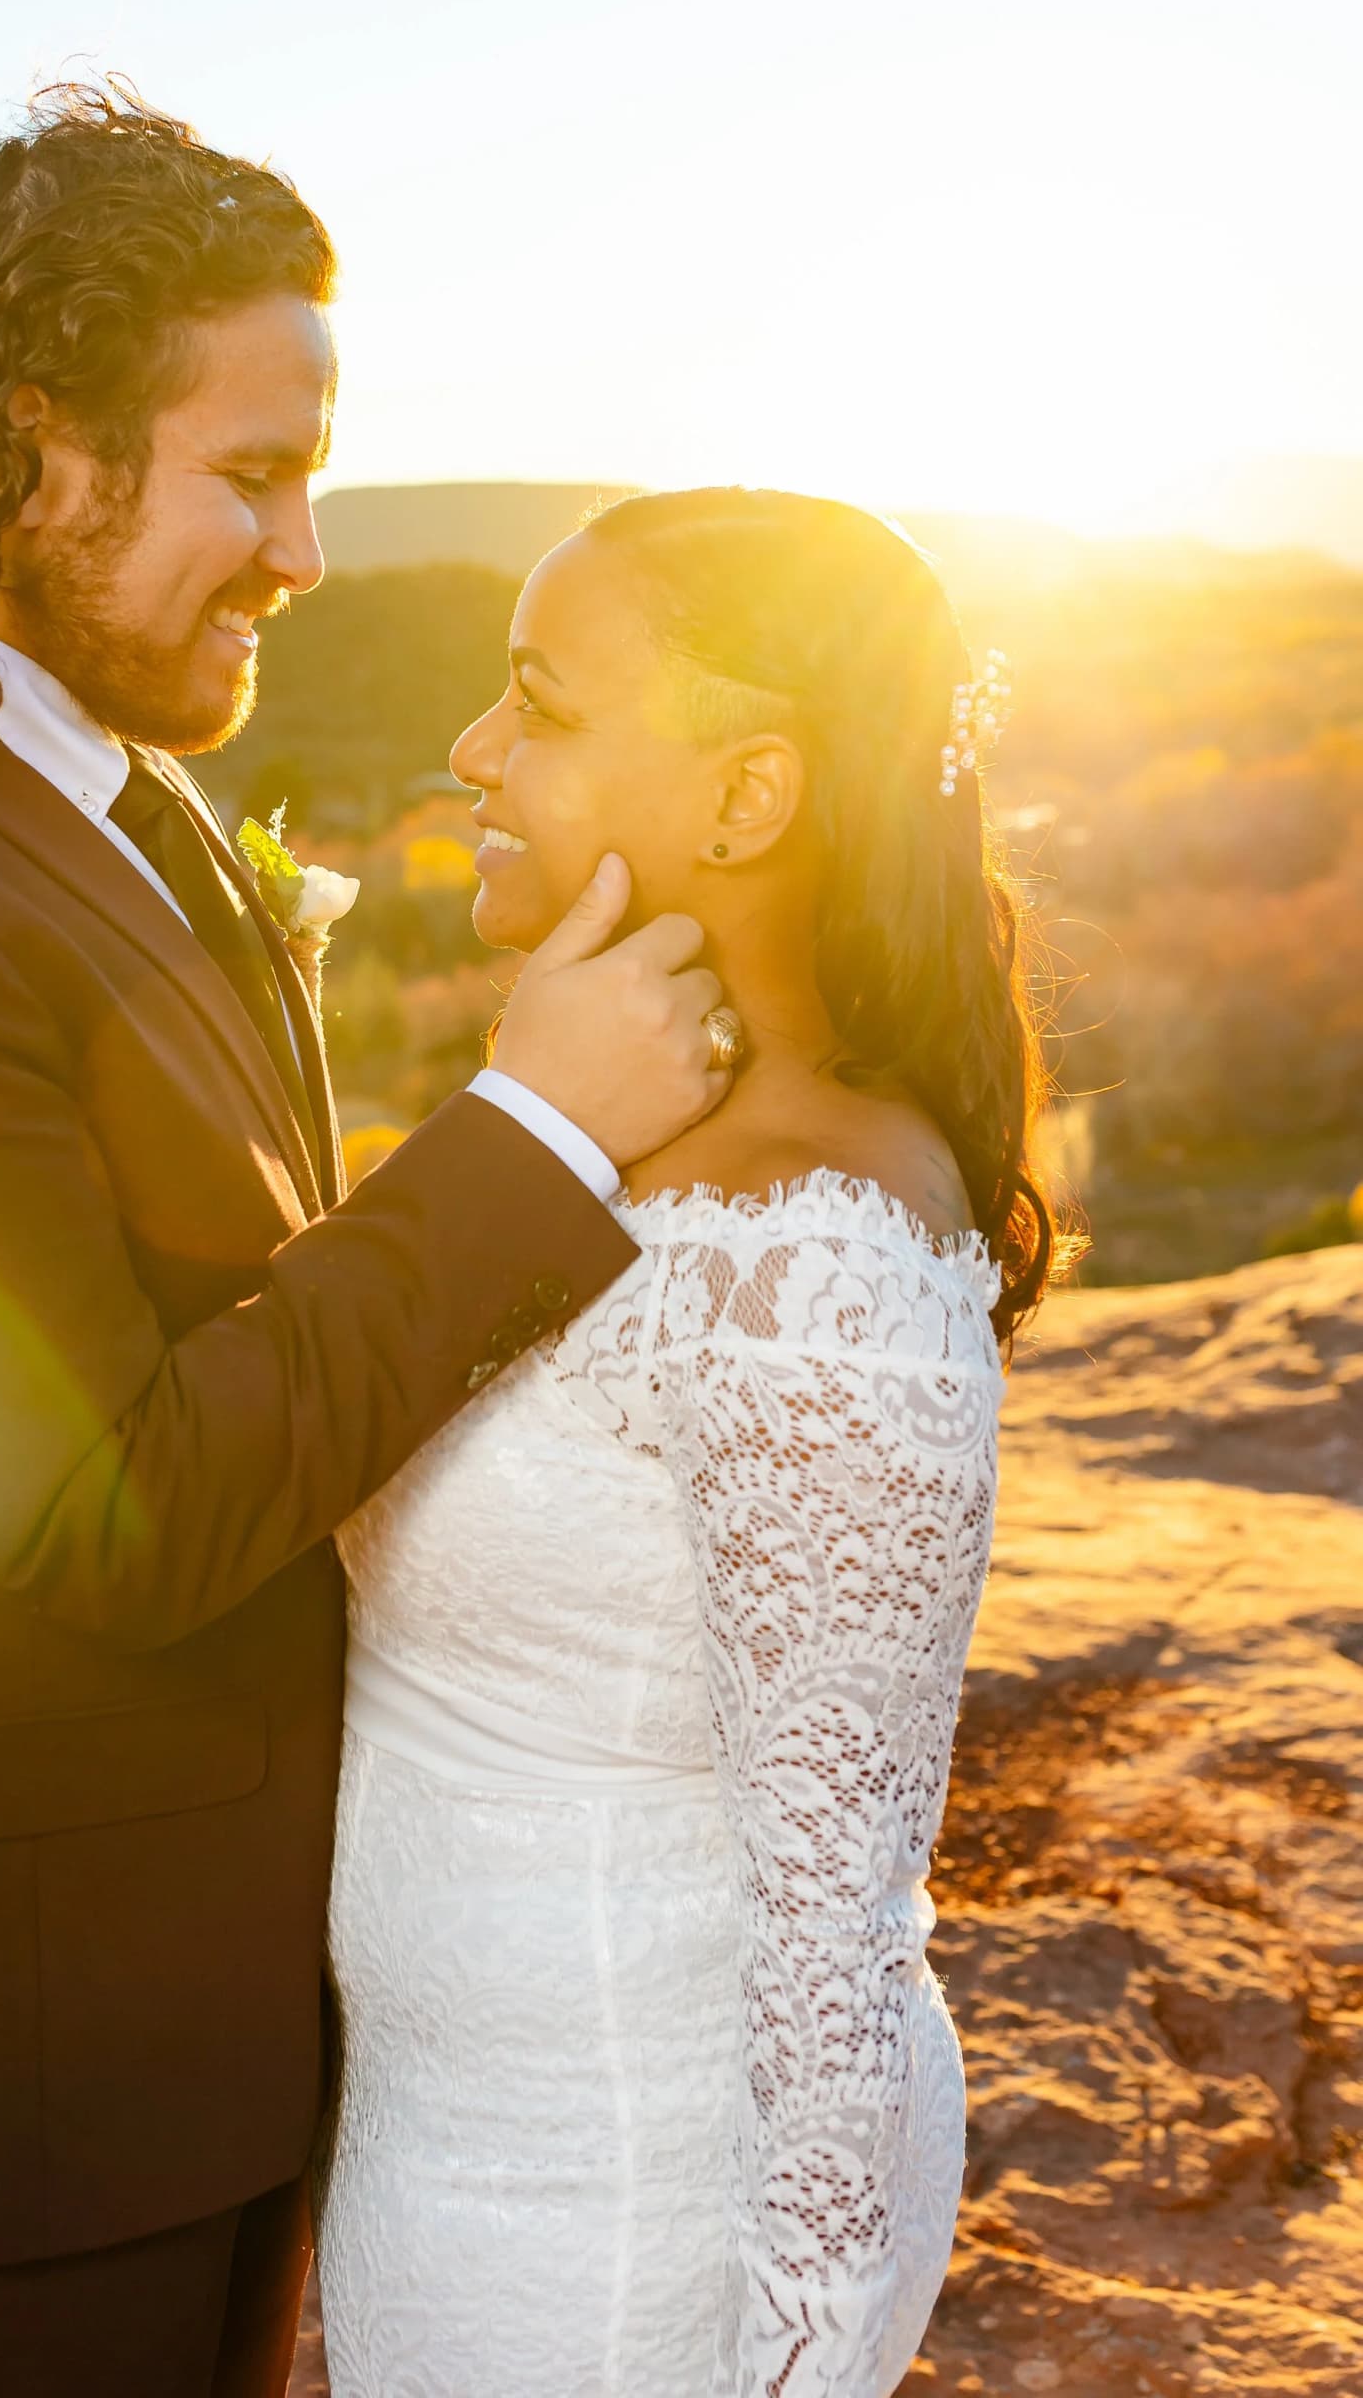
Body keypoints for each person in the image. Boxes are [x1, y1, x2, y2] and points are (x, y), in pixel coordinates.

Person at [0, 89, 732, 2398]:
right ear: (37, 452)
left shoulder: (42, 761)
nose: (305, 548)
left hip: (139, 2014)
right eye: (254, 473)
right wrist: (529, 1138)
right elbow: (85, 1516)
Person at [320, 487, 1057, 2396]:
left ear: (747, 800)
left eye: (541, 707)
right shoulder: (592, 1148)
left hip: (611, 2254)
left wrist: (797, 2372)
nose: (473, 752)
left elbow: (842, 1959)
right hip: (447, 2193)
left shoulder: (815, 1258)